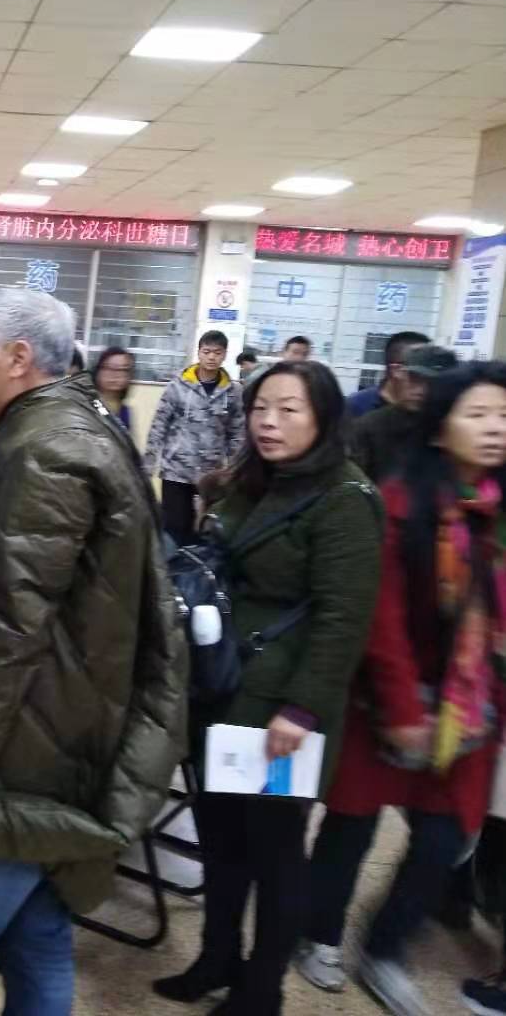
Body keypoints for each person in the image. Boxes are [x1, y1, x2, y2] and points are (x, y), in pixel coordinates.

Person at [0, 287, 188, 1016]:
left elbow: (6, 626)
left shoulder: (46, 450)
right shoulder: (79, 428)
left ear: (19, 357)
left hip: (19, 754)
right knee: (36, 934)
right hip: (66, 734)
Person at [153, 360, 381, 1016]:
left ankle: (262, 988)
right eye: (260, 409)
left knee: (276, 853)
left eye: (288, 410)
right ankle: (216, 957)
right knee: (222, 840)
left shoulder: (346, 498)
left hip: (282, 714)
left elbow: (343, 619)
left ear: (324, 419)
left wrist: (302, 709)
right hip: (223, 687)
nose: (269, 423)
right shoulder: (248, 481)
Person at [295, 363, 506, 1016]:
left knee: (442, 842)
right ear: (440, 429)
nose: (495, 428)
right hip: (384, 704)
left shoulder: (496, 512)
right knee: (350, 829)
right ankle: (318, 934)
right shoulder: (399, 503)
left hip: (467, 713)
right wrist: (401, 706)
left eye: (504, 416)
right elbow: (379, 618)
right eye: (478, 414)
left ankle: (384, 948)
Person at [144, 330, 246, 548]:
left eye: (217, 352)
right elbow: (159, 424)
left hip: (210, 476)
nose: (211, 357)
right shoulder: (178, 385)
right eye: (206, 351)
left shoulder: (232, 391)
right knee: (174, 529)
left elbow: (236, 432)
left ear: (225, 355)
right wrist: (149, 464)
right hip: (176, 470)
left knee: (203, 531)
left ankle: (196, 569)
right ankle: (171, 568)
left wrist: (235, 469)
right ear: (199, 352)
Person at [350, 344, 458, 483]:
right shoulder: (369, 428)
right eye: (414, 379)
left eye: (431, 383)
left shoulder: (455, 430)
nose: (419, 390)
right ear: (402, 375)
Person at [347, 330, 432, 418]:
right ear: (396, 370)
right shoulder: (355, 407)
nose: (424, 387)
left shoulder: (431, 410)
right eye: (416, 376)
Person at [91, 346, 135, 433]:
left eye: (123, 369)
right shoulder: (87, 405)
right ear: (98, 371)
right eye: (110, 368)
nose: (116, 375)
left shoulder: (124, 411)